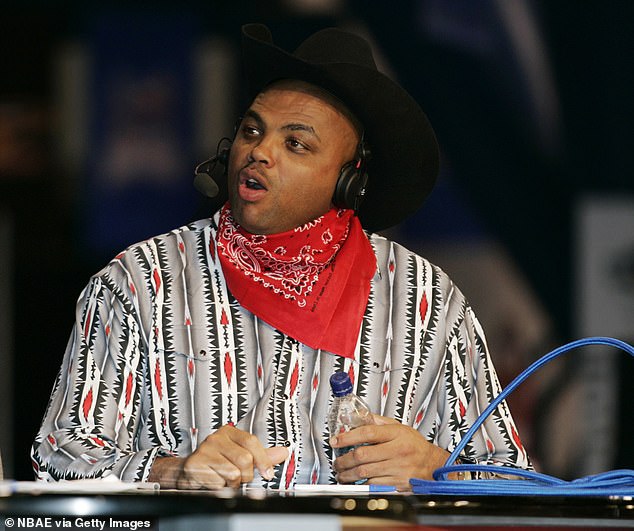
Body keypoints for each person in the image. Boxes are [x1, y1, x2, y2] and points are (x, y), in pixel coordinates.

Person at [31, 23, 531, 491]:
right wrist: (173, 470)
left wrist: (437, 468)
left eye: (296, 143)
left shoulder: (426, 297)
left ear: (348, 180)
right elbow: (59, 460)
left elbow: (515, 481)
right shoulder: (140, 280)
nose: (260, 151)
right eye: (252, 131)